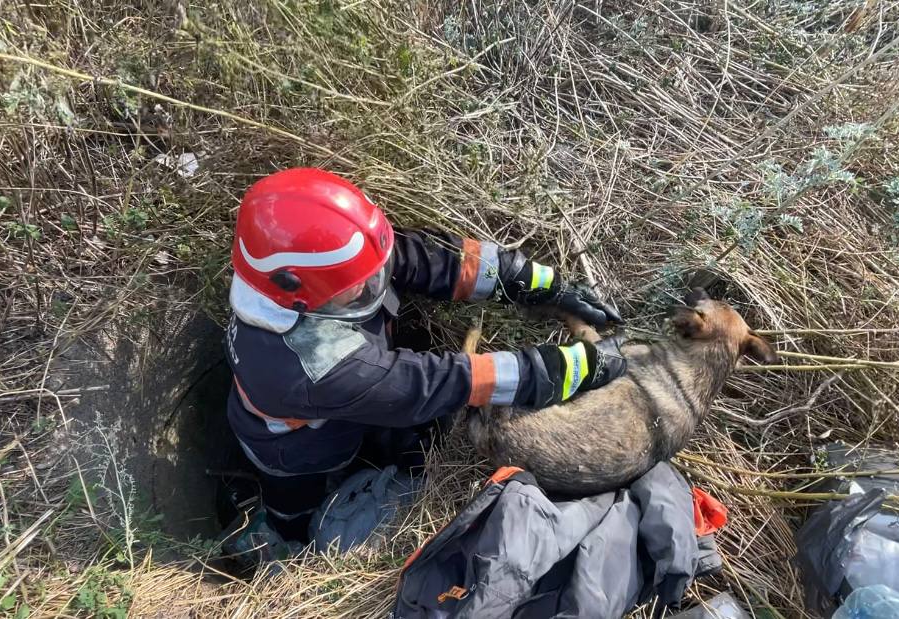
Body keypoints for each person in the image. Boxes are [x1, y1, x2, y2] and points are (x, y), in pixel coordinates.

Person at [221, 168, 626, 557]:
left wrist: (538, 283)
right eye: (355, 285)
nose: (373, 281)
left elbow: (427, 259)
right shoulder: (306, 364)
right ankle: (281, 538)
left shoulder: (321, 265)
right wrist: (561, 368)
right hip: (294, 454)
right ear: (301, 293)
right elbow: (430, 384)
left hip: (341, 411)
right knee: (294, 504)